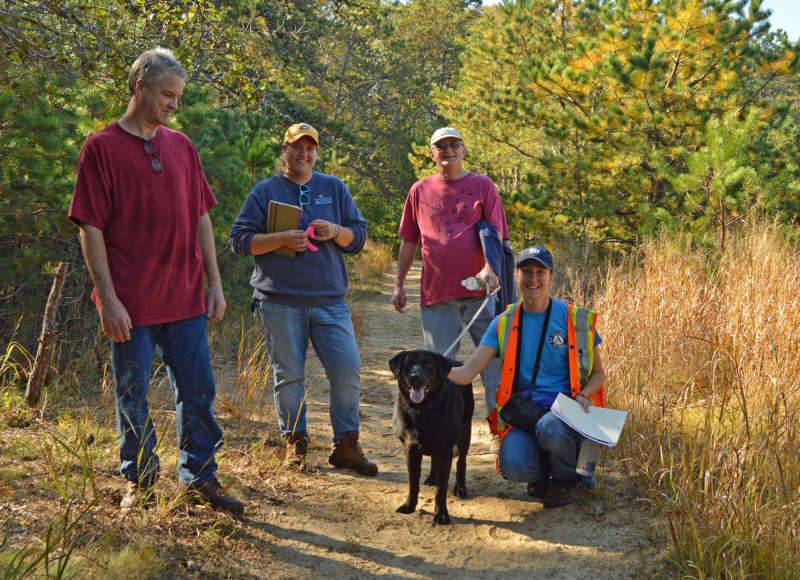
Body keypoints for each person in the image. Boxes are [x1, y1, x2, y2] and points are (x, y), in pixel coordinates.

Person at [68, 48, 244, 516]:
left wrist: (215, 283)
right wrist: (107, 298)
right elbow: (90, 227)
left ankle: (199, 478)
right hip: (132, 304)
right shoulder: (100, 148)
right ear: (139, 87)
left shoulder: (182, 146)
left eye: (178, 97)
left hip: (185, 298)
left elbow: (202, 217)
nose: (174, 105)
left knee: (199, 392)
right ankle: (141, 484)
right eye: (167, 95)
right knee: (133, 395)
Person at [229, 122, 377, 476]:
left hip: (330, 301)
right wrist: (278, 238)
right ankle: (295, 444)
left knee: (347, 370)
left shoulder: (333, 188)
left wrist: (335, 231)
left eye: (310, 147)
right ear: (286, 150)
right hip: (279, 301)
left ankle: (346, 445)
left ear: (316, 153)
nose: (304, 153)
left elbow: (358, 238)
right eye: (297, 146)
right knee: (289, 376)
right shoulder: (266, 191)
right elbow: (238, 240)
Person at [448, 247, 606, 508]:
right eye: (527, 272)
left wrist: (583, 396)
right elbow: (466, 373)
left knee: (550, 428)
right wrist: (430, 371)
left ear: (551, 277)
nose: (533, 279)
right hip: (524, 411)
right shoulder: (504, 322)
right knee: (513, 465)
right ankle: (543, 474)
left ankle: (568, 480)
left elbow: (599, 374)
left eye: (540, 272)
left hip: (564, 412)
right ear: (516, 276)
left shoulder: (576, 320)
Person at [392, 127, 510, 439]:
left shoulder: (484, 186)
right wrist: (399, 284)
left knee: (495, 368)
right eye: (440, 146)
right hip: (437, 297)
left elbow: (495, 231)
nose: (448, 150)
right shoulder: (419, 190)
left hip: (482, 294)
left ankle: (504, 436)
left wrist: (490, 267)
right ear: (431, 154)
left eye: (454, 145)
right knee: (438, 376)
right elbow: (408, 241)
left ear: (464, 150)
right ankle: (442, 437)